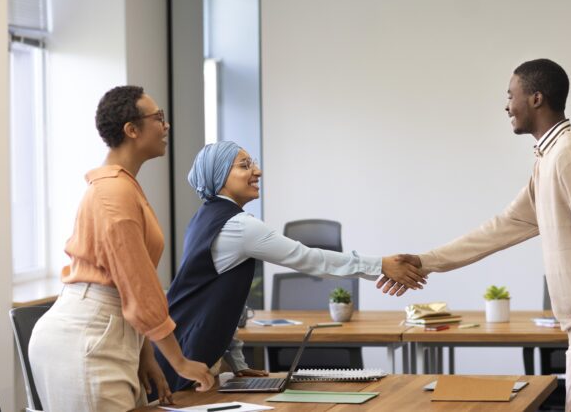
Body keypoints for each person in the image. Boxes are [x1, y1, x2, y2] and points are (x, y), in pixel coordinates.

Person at [377, 59, 571, 412]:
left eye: (511, 95)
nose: (506, 105)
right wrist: (426, 261)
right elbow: (502, 226)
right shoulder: (549, 158)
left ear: (536, 99)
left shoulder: (569, 156)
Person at [154, 141, 426, 392]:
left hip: (182, 350)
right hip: (187, 360)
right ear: (220, 175)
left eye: (254, 163)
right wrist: (381, 265)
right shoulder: (239, 226)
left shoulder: (205, 218)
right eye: (245, 165)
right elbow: (311, 259)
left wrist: (238, 363)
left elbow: (224, 303)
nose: (257, 171)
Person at [29, 86, 214, 411]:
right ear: (131, 129)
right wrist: (179, 361)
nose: (166, 125)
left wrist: (147, 355)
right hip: (90, 338)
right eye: (158, 117)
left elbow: (128, 284)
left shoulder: (123, 185)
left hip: (110, 332)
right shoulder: (114, 192)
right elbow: (138, 285)